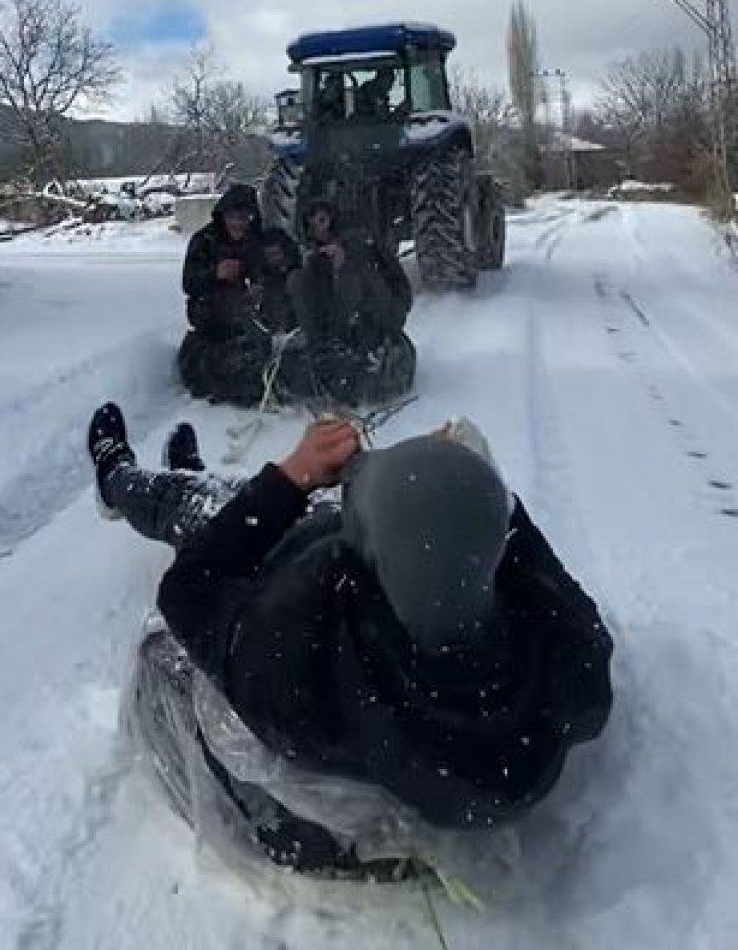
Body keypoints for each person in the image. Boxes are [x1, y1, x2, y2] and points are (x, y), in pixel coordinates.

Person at [87, 404, 613, 879]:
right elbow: (559, 601)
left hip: (287, 561)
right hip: (405, 577)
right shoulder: (561, 665)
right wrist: (458, 493)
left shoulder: (301, 655)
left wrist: (289, 482)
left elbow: (190, 588)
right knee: (222, 499)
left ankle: (118, 480)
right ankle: (194, 477)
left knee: (201, 510)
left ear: (362, 566)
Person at [283, 199, 415, 405]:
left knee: (350, 278)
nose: (318, 228)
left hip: (378, 318)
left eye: (322, 220)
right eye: (312, 224)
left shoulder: (361, 244)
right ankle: (324, 350)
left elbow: (391, 289)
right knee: (297, 280)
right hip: (337, 329)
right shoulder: (315, 257)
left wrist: (345, 262)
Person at [178, 184, 269, 406]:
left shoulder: (258, 241)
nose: (238, 223)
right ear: (223, 216)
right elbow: (189, 282)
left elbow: (272, 269)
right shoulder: (204, 241)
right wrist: (214, 274)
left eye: (243, 218)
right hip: (212, 313)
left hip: (250, 315)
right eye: (232, 217)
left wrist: (259, 287)